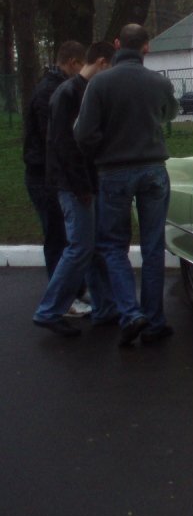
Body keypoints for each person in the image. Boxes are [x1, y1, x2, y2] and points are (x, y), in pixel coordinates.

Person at [74, 24, 180, 347]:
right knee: (152, 246)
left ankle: (130, 313)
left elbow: (82, 133)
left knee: (112, 245)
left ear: (118, 44)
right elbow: (169, 114)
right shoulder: (159, 83)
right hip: (153, 170)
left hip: (114, 172)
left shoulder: (100, 83)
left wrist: (103, 147)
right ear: (146, 47)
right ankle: (154, 320)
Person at [32, 42, 119, 337]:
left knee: (90, 246)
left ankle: (106, 307)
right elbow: (64, 146)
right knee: (80, 247)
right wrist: (82, 186)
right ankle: (50, 310)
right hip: (73, 184)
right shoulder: (68, 94)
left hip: (80, 182)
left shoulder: (77, 92)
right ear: (102, 62)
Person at [23, 41, 92, 317]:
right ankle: (62, 299)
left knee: (64, 236)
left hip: (47, 173)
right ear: (73, 62)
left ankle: (72, 290)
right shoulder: (50, 93)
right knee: (57, 237)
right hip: (44, 176)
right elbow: (53, 139)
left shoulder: (53, 89)